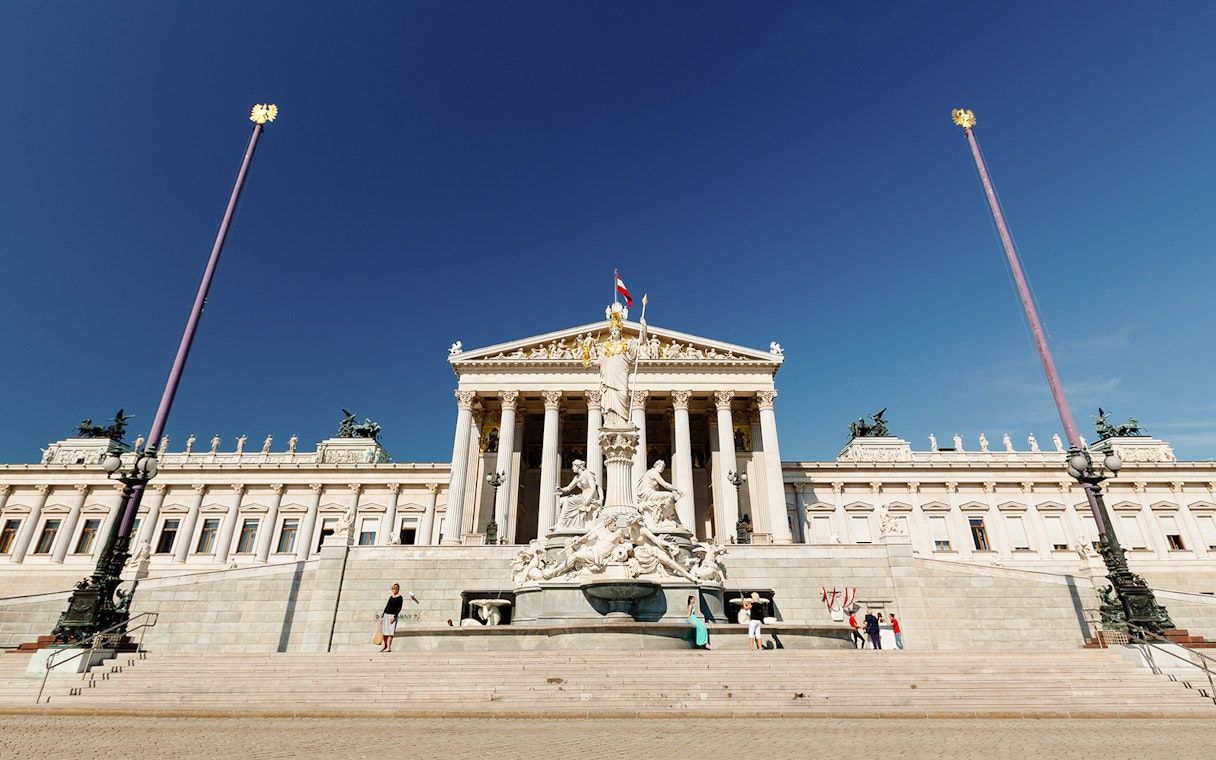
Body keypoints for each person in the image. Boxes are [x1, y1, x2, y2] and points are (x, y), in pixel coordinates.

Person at [597, 310, 646, 427]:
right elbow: (600, 360)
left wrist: (644, 327)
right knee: (610, 396)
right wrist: (588, 360)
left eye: (616, 330)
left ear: (620, 332)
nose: (614, 332)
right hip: (609, 375)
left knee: (624, 395)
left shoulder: (626, 343)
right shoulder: (605, 346)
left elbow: (641, 341)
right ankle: (611, 420)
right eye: (612, 331)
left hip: (621, 373)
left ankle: (623, 420)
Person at [555, 459, 602, 528]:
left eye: (573, 466)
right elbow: (568, 488)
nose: (572, 468)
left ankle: (561, 523)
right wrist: (561, 489)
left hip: (588, 498)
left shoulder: (588, 475)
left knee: (568, 501)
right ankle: (564, 524)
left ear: (578, 467)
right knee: (561, 500)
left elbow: (593, 488)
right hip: (581, 497)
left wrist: (588, 499)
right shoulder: (577, 477)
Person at [635, 460, 681, 527]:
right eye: (660, 466)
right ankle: (669, 517)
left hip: (648, 494)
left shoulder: (649, 472)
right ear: (655, 466)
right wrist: (676, 489)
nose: (661, 468)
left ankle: (668, 516)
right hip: (648, 494)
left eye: (663, 467)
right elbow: (665, 484)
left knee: (667, 499)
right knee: (669, 495)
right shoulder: (654, 472)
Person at [380, 583, 403, 653]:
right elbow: (387, 607)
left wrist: (394, 617)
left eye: (394, 589)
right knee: (384, 632)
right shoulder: (391, 597)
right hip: (386, 615)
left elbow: (399, 608)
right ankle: (385, 646)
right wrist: (382, 616)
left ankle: (389, 647)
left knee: (390, 632)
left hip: (392, 616)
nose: (393, 590)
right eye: (392, 589)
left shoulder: (400, 598)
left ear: (397, 589)